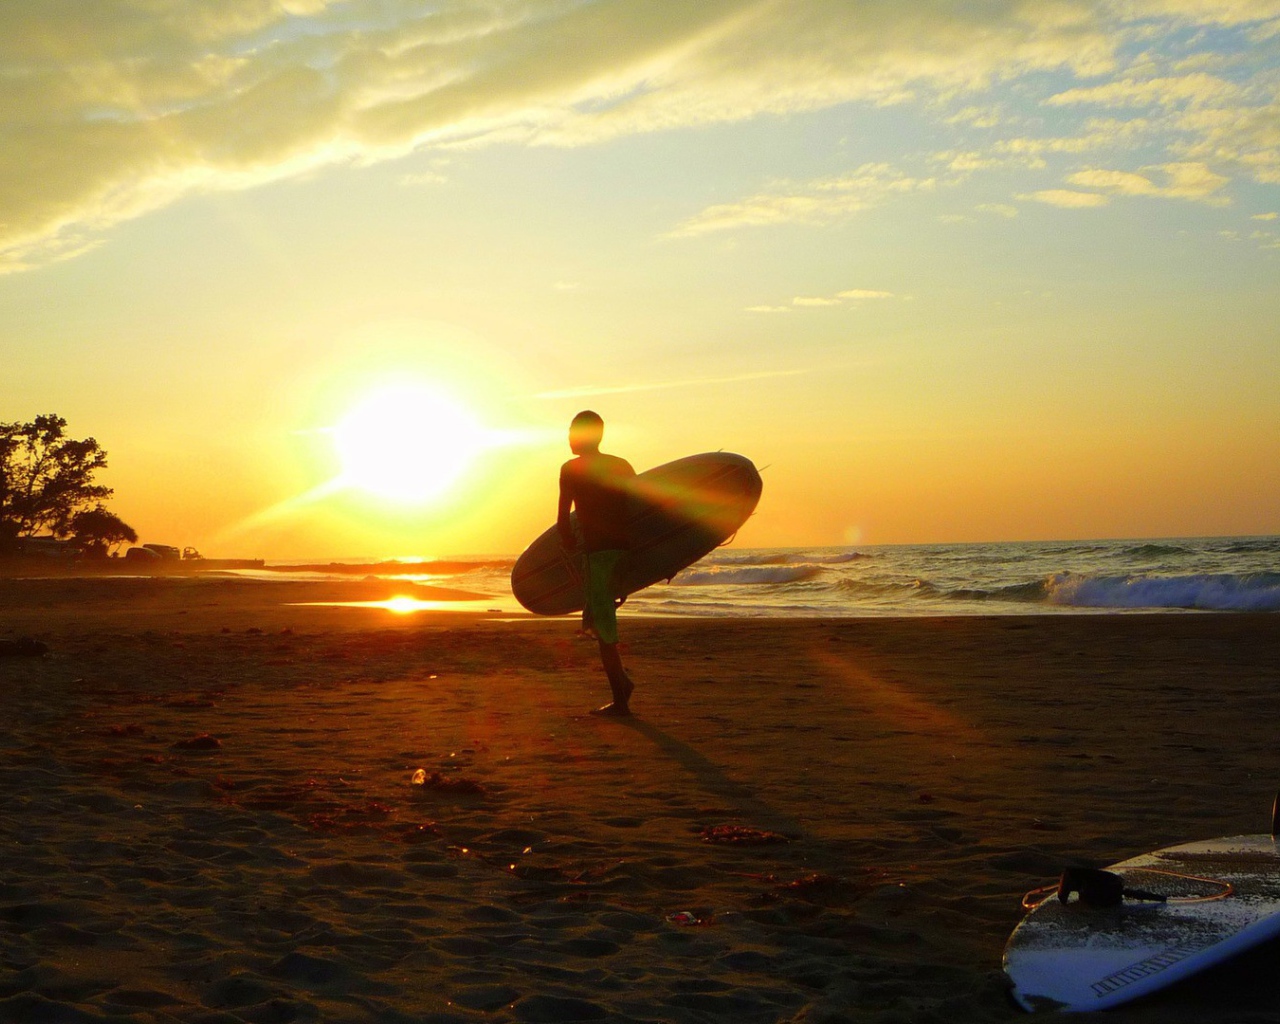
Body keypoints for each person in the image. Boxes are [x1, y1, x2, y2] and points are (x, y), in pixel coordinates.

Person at [557, 410, 636, 716]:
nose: (568, 437)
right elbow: (640, 509)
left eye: (572, 431)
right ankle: (623, 685)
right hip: (625, 553)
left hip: (598, 556)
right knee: (603, 621)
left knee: (603, 629)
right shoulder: (621, 466)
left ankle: (621, 698)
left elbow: (564, 520)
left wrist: (567, 545)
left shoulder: (571, 469)